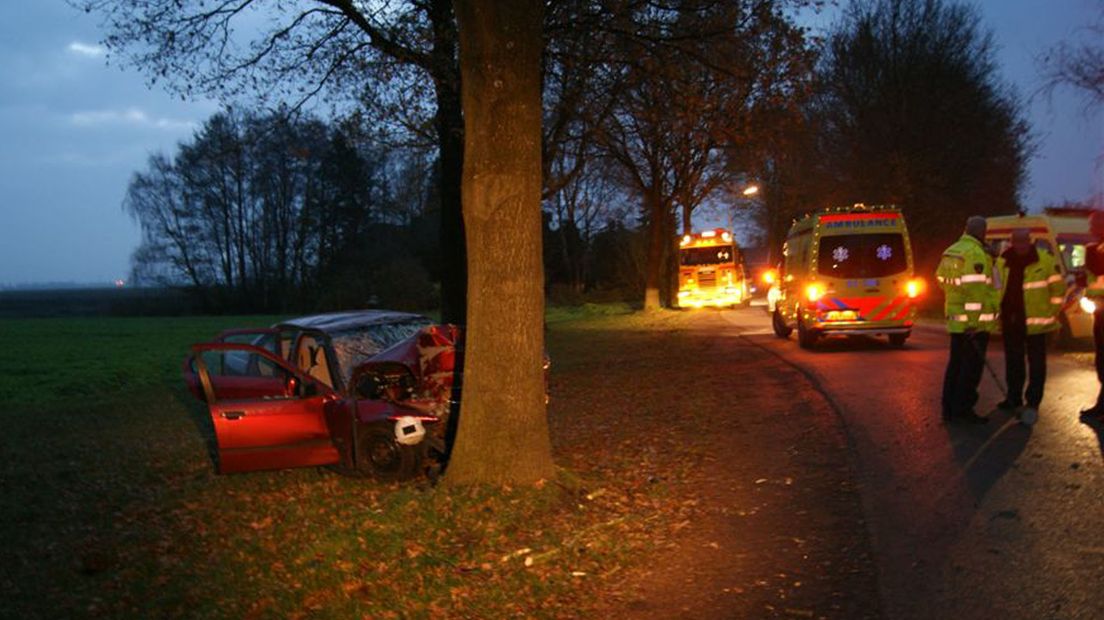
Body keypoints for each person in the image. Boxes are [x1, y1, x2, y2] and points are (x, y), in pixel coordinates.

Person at [994, 228, 1065, 420]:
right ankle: (1013, 397)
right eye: (1016, 241)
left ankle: (1033, 401)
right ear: (1011, 242)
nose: (1020, 245)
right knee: (1013, 362)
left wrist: (1050, 314)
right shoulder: (1002, 262)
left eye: (1023, 241)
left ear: (1029, 240)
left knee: (1037, 365)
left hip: (1037, 324)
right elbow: (996, 289)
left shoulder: (1045, 260)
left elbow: (1058, 291)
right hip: (1011, 321)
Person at [937, 216, 1000, 423]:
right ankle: (963, 410)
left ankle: (949, 408)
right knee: (970, 369)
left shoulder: (952, 250)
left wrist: (953, 296)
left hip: (956, 320)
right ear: (982, 232)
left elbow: (940, 278)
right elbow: (976, 293)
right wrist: (973, 324)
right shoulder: (975, 254)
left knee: (955, 364)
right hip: (974, 324)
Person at [1079, 210, 1104, 417]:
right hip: (1099, 311)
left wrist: (1091, 254)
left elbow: (1097, 271)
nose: (1090, 228)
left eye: (1093, 224)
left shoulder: (1098, 249)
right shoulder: (1096, 248)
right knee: (1101, 358)